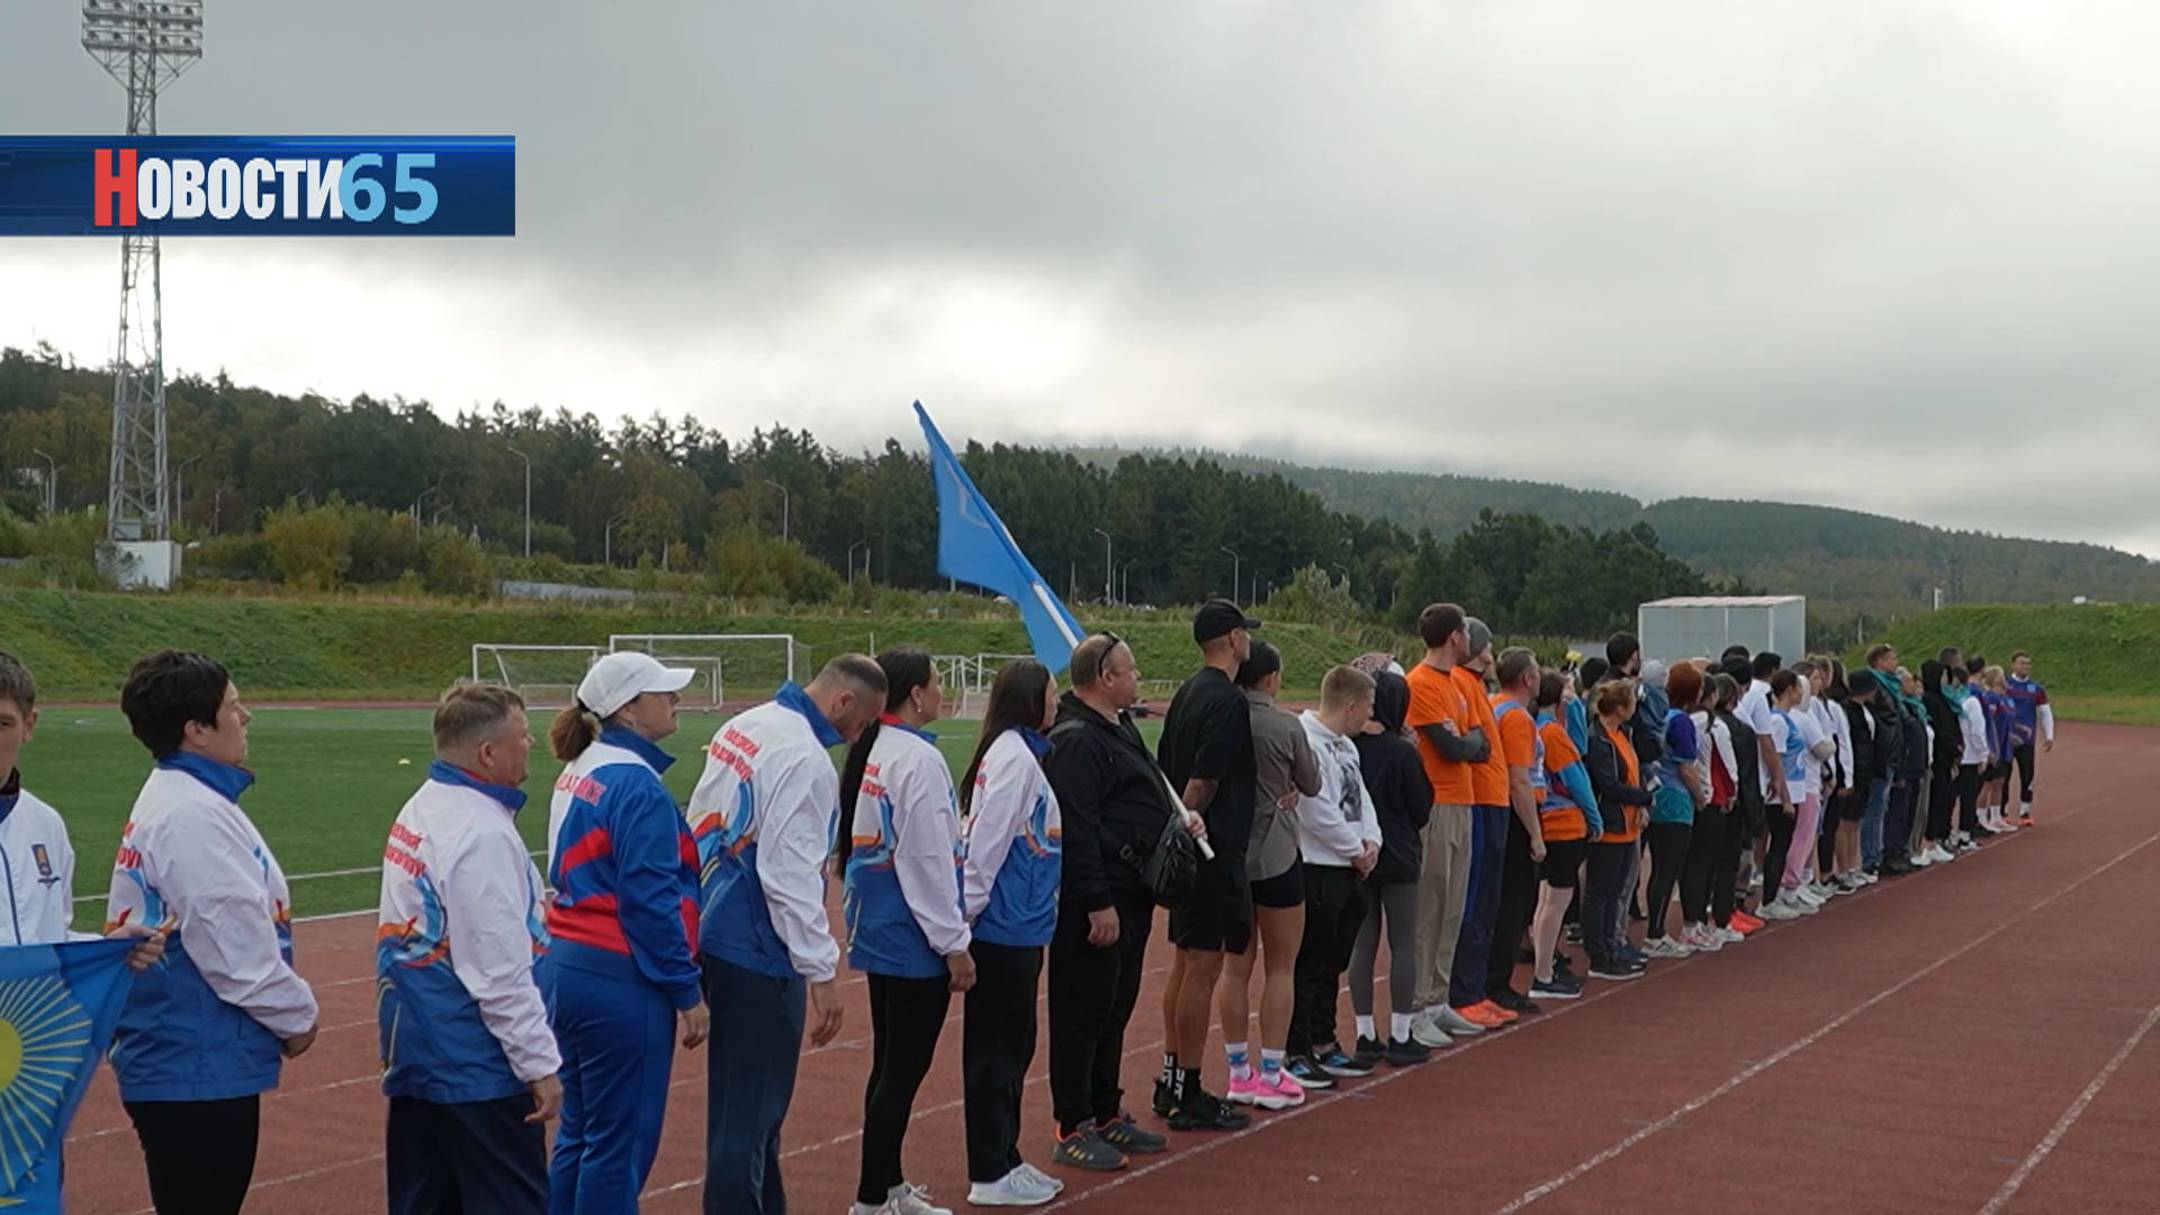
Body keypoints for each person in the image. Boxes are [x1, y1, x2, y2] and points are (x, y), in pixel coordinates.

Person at [108, 650, 320, 1215]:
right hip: (194, 1059)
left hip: (189, 1056)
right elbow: (232, 945)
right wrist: (297, 1017)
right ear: (196, 730)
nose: (245, 716)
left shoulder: (185, 800)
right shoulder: (191, 814)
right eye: (232, 706)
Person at [692, 655, 885, 1215]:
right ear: (842, 702)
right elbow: (789, 875)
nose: (859, 737)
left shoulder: (745, 725)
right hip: (759, 947)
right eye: (861, 723)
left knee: (751, 1117)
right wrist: (820, 970)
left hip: (720, 925)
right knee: (746, 1121)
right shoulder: (806, 760)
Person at [377, 683, 561, 1215]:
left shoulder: (423, 806)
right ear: (488, 753)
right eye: (523, 737)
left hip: (420, 1052)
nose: (530, 745)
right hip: (474, 1067)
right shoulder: (481, 834)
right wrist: (539, 1066)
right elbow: (498, 971)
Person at [542, 650, 710, 1213]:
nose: (676, 700)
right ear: (631, 709)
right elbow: (650, 903)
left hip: (567, 965)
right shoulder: (637, 786)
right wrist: (687, 992)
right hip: (618, 976)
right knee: (619, 1147)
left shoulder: (581, 768)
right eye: (664, 692)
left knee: (581, 1134)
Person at [837, 649, 975, 1215]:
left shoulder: (877, 752)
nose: (942, 690)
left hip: (881, 925)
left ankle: (887, 1186)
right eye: (938, 682)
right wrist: (954, 943)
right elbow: (927, 859)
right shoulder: (915, 760)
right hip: (911, 934)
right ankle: (872, 1198)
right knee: (902, 1069)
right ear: (916, 694)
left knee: (889, 1063)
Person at [1044, 634, 1176, 1170]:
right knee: (1082, 1011)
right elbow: (1077, 828)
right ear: (1105, 678)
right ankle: (1071, 1122)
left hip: (1132, 892)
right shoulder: (1077, 739)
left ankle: (1105, 1110)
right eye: (1131, 669)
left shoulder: (1116, 727)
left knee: (1114, 1007)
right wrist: (1096, 901)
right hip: (1099, 899)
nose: (1137, 677)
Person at [958, 659, 1063, 1207]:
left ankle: (1004, 1157)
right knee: (997, 1051)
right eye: (1050, 693)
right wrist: (965, 925)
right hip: (1003, 931)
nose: (1057, 701)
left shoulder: (1015, 754)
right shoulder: (1015, 761)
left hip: (1019, 926)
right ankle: (990, 1170)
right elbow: (985, 851)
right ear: (1030, 701)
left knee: (1012, 1047)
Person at [1154, 599, 1259, 1132]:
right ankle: (1188, 1087)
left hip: (1194, 847)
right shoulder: (1227, 701)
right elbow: (1204, 778)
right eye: (1245, 634)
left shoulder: (1187, 694)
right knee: (1202, 966)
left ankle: (1173, 1076)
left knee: (1184, 963)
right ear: (1233, 639)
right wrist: (1188, 828)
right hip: (1211, 850)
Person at [0, 650, 166, 961]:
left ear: (29, 725)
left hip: (28, 1011)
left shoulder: (45, 824)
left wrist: (109, 948)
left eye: (2, 724)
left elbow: (53, 939)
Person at [1225, 641, 1322, 1105]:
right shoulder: (1284, 725)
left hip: (1230, 853)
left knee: (1235, 968)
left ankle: (1237, 1070)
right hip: (1278, 853)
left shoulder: (1223, 717)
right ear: (1270, 678)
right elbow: (1311, 781)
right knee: (1281, 965)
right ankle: (1271, 1069)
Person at [1284, 666, 1382, 1082]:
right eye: (1369, 706)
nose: (1371, 714)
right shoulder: (1307, 741)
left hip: (1349, 867)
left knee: (1333, 960)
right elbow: (1314, 808)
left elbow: (1362, 799)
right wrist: (1353, 848)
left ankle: (1324, 1040)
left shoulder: (1347, 746)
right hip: (1318, 866)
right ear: (1352, 705)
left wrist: (1372, 841)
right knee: (1310, 961)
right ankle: (1296, 1048)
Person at [1404, 603, 1489, 1047]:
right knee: (1430, 905)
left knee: (1452, 905)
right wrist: (1466, 744)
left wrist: (1467, 744)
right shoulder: (1420, 683)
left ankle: (1438, 998)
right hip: (1437, 804)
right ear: (1455, 636)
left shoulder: (1456, 683)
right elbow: (1454, 746)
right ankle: (1417, 1004)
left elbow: (1480, 742)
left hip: (1464, 800)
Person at [1347, 669, 1434, 1064]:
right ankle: (1401, 1033)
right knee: (1403, 944)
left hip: (1358, 853)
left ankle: (1365, 1032)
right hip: (1398, 853)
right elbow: (1422, 806)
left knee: (1363, 944)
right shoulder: (1403, 752)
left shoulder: (1348, 747)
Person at [1444, 620, 1516, 1028]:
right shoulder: (1459, 682)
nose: (1491, 655)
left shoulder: (1475, 686)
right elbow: (1471, 742)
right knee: (1472, 900)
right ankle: (1463, 991)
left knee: (1487, 901)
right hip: (1478, 801)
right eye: (1488, 647)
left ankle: (1475, 988)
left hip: (1492, 799)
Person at [1483, 647, 1549, 1013]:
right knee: (1515, 901)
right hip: (1517, 813)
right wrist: (1536, 834)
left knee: (1502, 898)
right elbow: (1519, 779)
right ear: (1527, 678)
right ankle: (1498, 981)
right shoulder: (1519, 719)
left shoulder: (1495, 706)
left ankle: (1491, 977)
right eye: (1537, 671)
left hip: (1499, 810)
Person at [1527, 672, 1598, 999]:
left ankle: (1546, 966)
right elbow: (1575, 777)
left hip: (1547, 820)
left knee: (1547, 900)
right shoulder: (1552, 733)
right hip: (1563, 822)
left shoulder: (1535, 727)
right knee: (1556, 901)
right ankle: (1543, 973)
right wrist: (1594, 818)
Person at [1583, 680, 1650, 980]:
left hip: (1628, 824)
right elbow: (1608, 785)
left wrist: (1642, 802)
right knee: (1602, 892)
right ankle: (1599, 953)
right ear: (1621, 709)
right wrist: (1643, 797)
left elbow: (1633, 774)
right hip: (1610, 826)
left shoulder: (1622, 735)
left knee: (1617, 891)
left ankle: (1613, 944)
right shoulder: (1598, 740)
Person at [1641, 662, 1705, 958]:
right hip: (1677, 798)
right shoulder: (1682, 722)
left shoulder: (1659, 716)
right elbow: (1686, 767)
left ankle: (1655, 930)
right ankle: (1655, 933)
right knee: (1669, 868)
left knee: (1659, 868)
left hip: (1655, 793)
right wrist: (1700, 796)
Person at [1678, 674, 1740, 950]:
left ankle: (1695, 922)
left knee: (1693, 863)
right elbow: (1728, 764)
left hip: (1693, 795)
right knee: (1703, 863)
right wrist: (1732, 792)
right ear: (1711, 696)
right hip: (1711, 796)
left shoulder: (1685, 720)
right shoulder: (1715, 724)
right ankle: (1695, 924)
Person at [2005, 652, 2053, 826]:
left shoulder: (2036, 689)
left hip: (2027, 739)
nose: (2025, 666)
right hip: (2006, 738)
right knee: (2003, 775)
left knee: (2027, 774)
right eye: (2021, 663)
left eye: (2028, 664)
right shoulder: (2005, 685)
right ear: (2013, 665)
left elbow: (2044, 712)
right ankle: (2001, 810)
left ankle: (2025, 811)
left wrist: (2049, 735)